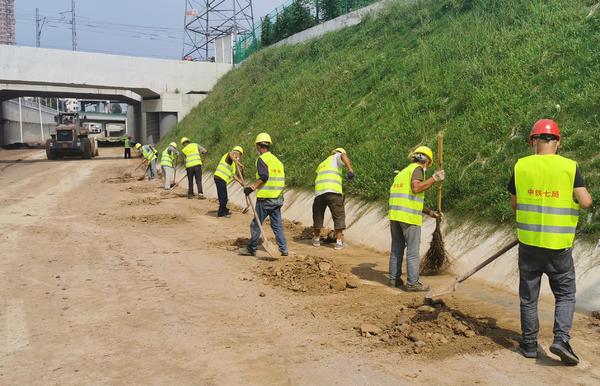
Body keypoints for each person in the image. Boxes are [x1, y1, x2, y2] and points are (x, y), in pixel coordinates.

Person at [508, 119, 592, 365]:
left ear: (533, 141)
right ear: (558, 141)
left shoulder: (520, 166)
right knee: (565, 294)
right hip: (558, 247)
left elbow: (515, 204)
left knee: (528, 297)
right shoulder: (569, 167)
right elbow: (585, 201)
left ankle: (529, 345)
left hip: (529, 243)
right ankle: (561, 339)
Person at [388, 145, 444, 292]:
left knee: (396, 248)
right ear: (426, 161)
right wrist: (434, 178)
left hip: (395, 217)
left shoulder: (402, 173)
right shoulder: (417, 170)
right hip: (409, 218)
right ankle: (413, 283)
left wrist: (430, 213)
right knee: (413, 251)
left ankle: (394, 279)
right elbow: (416, 188)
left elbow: (409, 198)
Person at [241, 133, 288, 257]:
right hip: (278, 198)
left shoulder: (262, 159)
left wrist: (251, 187)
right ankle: (284, 249)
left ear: (258, 145)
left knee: (256, 224)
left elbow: (264, 176)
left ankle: (251, 248)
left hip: (265, 199)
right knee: (277, 225)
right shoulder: (277, 161)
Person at [312, 148, 355, 250]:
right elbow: (343, 156)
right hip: (333, 191)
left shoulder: (322, 163)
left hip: (319, 193)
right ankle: (339, 242)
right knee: (338, 215)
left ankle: (316, 239)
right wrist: (350, 169)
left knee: (318, 216)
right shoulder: (337, 157)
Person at [213, 146, 244, 217]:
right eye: (239, 155)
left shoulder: (233, 164)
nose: (239, 157)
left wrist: (241, 182)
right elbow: (231, 154)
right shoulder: (229, 155)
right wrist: (238, 163)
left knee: (223, 197)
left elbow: (233, 175)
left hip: (222, 179)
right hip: (219, 177)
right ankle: (221, 213)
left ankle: (224, 210)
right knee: (224, 197)